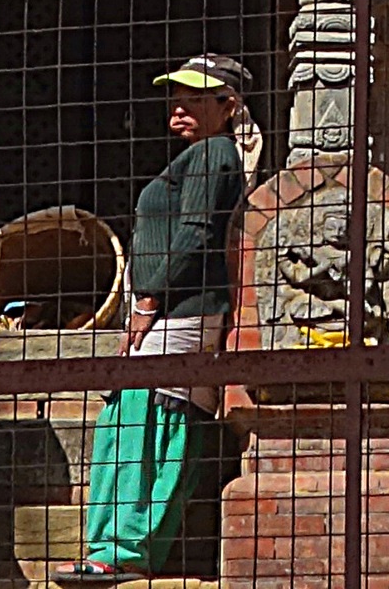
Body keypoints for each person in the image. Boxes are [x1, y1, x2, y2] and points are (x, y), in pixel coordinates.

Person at [69, 53, 253, 584]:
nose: (178, 108)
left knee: (153, 423)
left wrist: (148, 301)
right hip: (163, 307)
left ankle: (125, 549)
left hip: (181, 310)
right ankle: (109, 545)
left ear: (228, 105)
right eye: (176, 97)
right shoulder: (197, 155)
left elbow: (195, 235)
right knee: (128, 420)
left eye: (195, 98)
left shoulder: (216, 153)